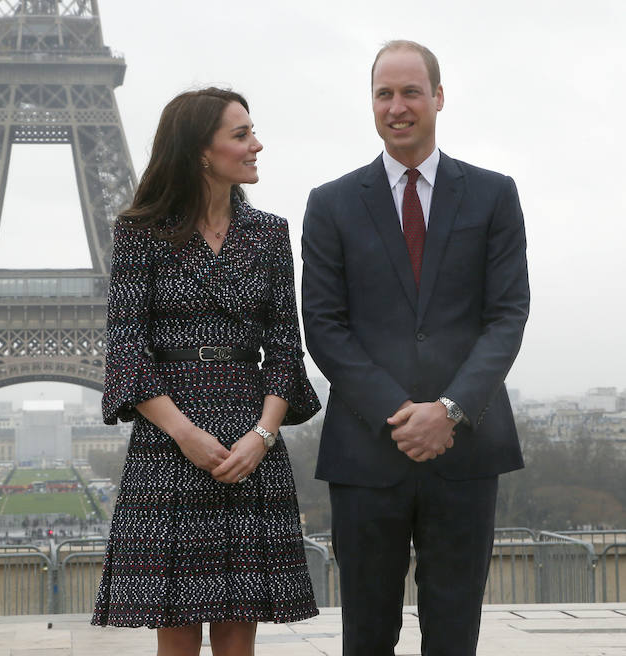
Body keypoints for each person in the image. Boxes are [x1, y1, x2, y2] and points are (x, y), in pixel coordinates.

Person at [300, 41, 529, 655]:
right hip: (369, 451)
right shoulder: (331, 204)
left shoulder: (494, 194)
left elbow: (507, 316)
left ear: (438, 97)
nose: (396, 106)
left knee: (455, 635)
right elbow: (323, 325)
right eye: (384, 93)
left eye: (410, 92)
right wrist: (401, 413)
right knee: (367, 635)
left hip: (466, 448)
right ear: (371, 103)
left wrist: (448, 411)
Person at [92, 87, 321, 655]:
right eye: (241, 135)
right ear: (201, 151)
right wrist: (186, 434)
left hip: (249, 433)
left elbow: (286, 350)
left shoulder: (268, 233)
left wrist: (262, 437)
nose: (256, 144)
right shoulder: (140, 232)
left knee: (240, 624)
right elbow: (127, 350)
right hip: (172, 436)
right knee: (176, 627)